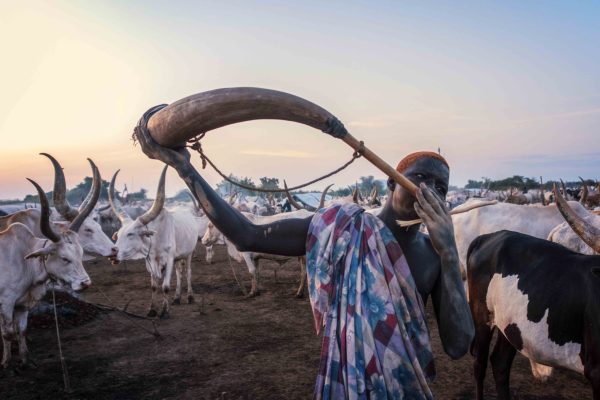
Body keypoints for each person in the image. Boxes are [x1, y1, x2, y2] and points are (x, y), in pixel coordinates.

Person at [137, 125, 473, 399]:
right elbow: (247, 235)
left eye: (440, 188)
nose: (428, 191)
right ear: (390, 182)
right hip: (347, 386)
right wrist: (185, 167)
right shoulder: (343, 227)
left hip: (406, 389)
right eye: (420, 179)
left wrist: (449, 253)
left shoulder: (434, 255)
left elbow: (459, 346)